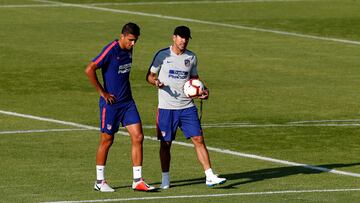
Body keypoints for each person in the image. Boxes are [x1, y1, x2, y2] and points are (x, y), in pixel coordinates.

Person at [146, 25, 226, 189]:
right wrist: (156, 82)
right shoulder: (162, 55)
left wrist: (203, 91)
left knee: (198, 139)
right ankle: (165, 178)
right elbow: (149, 76)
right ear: (173, 37)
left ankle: (210, 175)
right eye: (181, 37)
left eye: (186, 38)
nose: (184, 40)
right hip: (167, 108)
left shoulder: (192, 57)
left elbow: (196, 81)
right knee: (165, 144)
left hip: (187, 107)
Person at [85, 22, 154, 192]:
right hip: (111, 105)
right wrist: (103, 92)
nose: (133, 44)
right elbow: (89, 69)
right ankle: (99, 181)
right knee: (107, 140)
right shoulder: (111, 50)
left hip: (127, 102)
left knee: (138, 137)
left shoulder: (129, 49)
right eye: (131, 40)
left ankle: (137, 180)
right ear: (122, 36)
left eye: (136, 40)